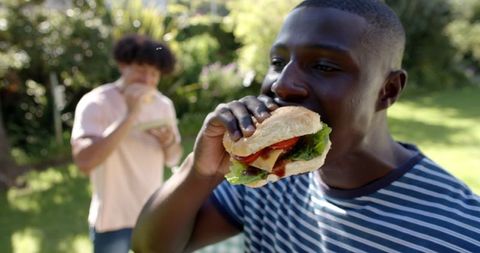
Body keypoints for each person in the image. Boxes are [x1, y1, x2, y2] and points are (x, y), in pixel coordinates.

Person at [132, 0, 480, 252]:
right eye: (277, 62)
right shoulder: (267, 176)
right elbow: (151, 246)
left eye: (326, 66)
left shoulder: (460, 233)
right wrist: (201, 171)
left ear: (387, 91)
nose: (283, 84)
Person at [71, 34, 182, 253]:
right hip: (112, 220)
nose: (148, 80)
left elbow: (174, 158)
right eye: (142, 69)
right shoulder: (96, 103)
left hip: (153, 214)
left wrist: (169, 143)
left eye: (154, 73)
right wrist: (131, 114)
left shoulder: (163, 105)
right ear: (123, 65)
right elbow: (85, 161)